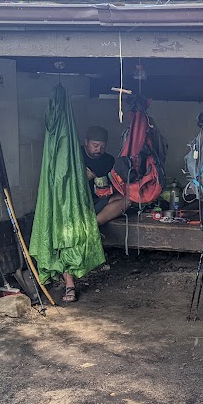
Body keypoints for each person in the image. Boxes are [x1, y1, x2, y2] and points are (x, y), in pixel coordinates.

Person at [62, 125, 129, 302]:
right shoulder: (75, 155)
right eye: (95, 145)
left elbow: (114, 186)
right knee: (69, 239)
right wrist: (82, 178)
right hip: (75, 204)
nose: (99, 150)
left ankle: (93, 224)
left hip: (98, 202)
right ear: (86, 143)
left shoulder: (108, 160)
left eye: (102, 146)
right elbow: (64, 183)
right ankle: (69, 284)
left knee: (127, 200)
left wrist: (107, 185)